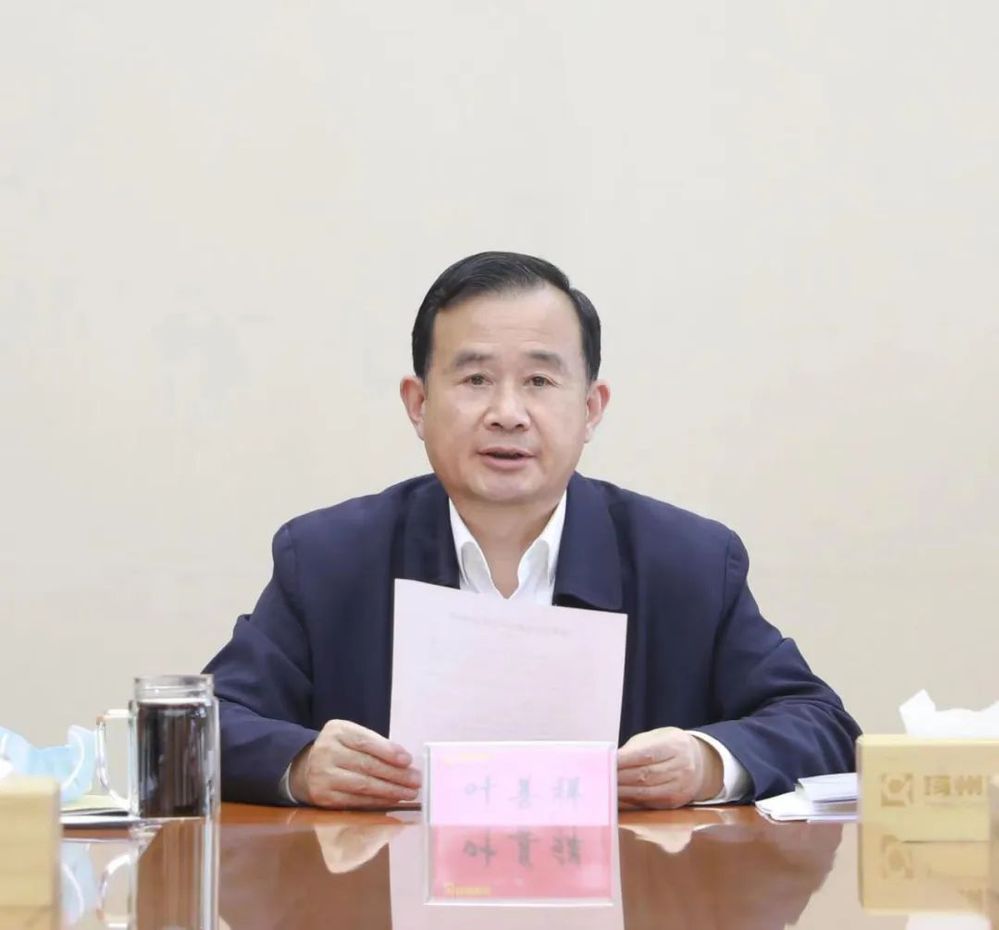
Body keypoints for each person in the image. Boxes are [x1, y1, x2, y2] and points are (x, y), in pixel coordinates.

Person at [204, 251, 860, 809]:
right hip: (386, 894)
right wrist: (301, 764)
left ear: (590, 407)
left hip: (630, 896)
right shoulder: (329, 559)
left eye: (540, 380)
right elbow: (208, 725)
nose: (507, 413)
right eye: (475, 379)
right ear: (418, 403)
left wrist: (706, 762)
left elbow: (821, 725)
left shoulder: (686, 561)